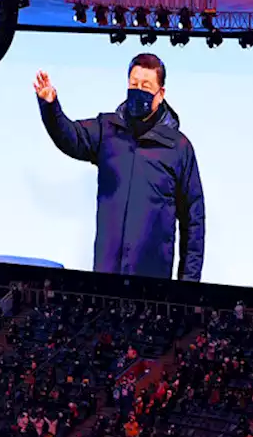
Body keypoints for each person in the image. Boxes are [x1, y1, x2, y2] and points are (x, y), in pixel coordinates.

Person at [34, 53, 205, 281]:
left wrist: (188, 285)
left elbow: (193, 221)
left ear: (161, 94)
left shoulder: (178, 148)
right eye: (134, 84)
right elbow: (70, 137)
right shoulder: (108, 130)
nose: (138, 91)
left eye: (146, 86)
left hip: (153, 283)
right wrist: (50, 106)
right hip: (107, 275)